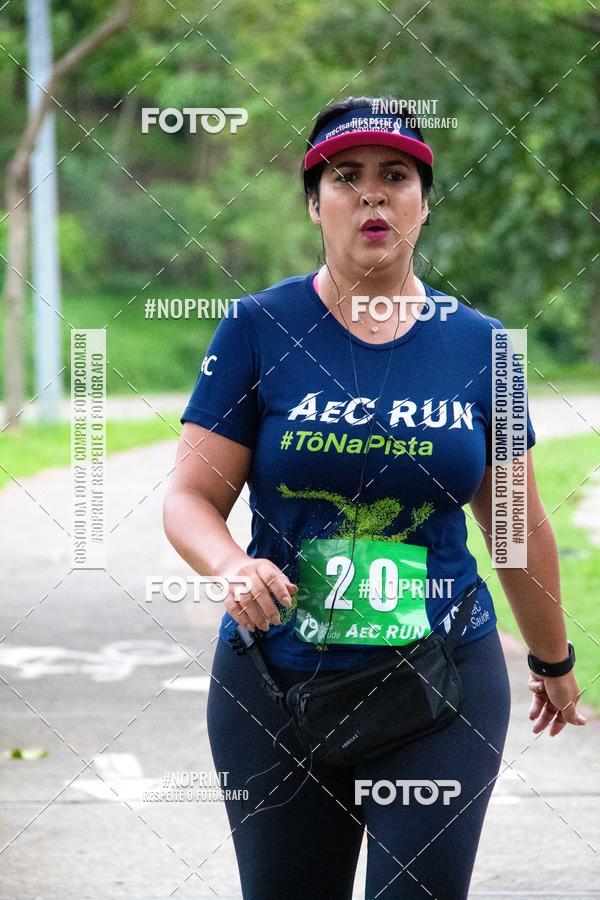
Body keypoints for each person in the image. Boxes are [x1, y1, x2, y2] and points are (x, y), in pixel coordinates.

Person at [163, 95, 586, 900]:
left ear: (423, 203)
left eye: (395, 176)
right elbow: (187, 497)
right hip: (277, 682)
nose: (371, 195)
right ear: (314, 203)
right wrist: (230, 565)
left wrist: (553, 660)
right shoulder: (259, 326)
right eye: (345, 177)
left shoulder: (482, 345)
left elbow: (514, 528)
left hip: (441, 680)